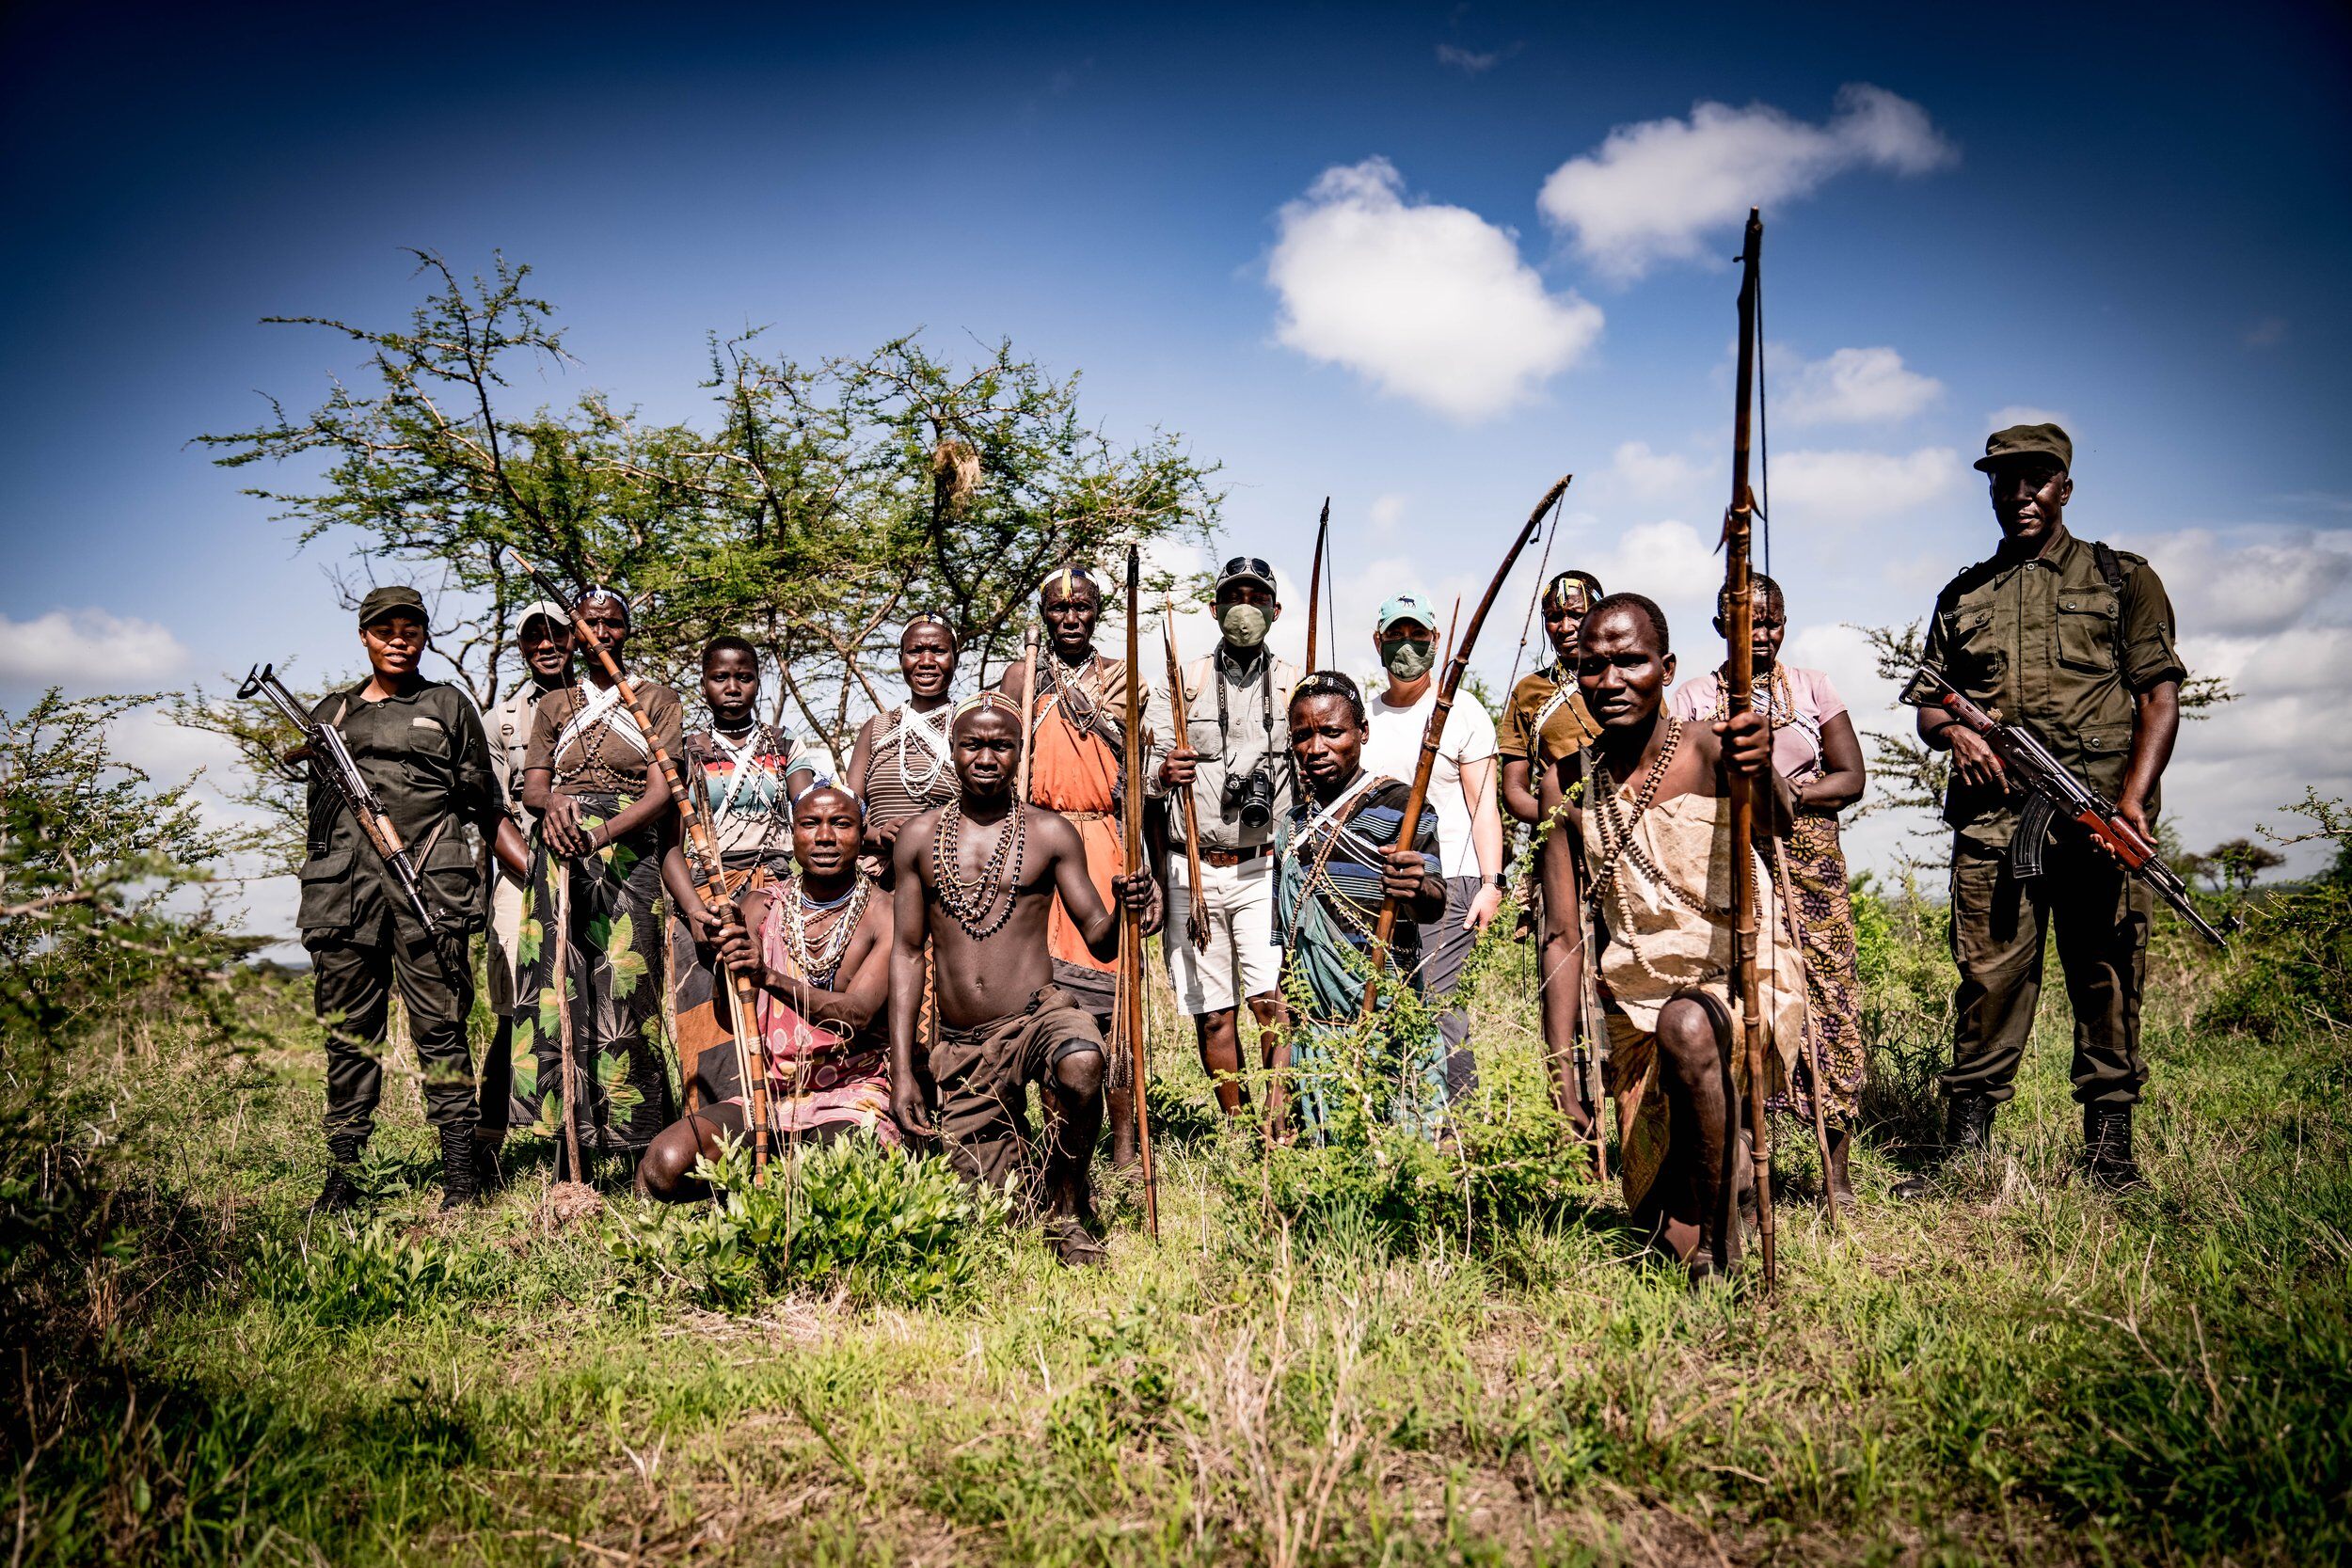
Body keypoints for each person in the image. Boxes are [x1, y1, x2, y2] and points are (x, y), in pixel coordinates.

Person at [1897, 423, 2185, 1193]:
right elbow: (1927, 707)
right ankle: (1964, 1157)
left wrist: (2131, 805)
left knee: (2107, 978)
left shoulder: (2123, 579)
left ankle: (2109, 1154)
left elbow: (2159, 696)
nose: (2020, 494)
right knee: (1989, 981)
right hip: (1997, 827)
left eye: (2037, 479)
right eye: (2005, 480)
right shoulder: (1964, 594)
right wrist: (1957, 732)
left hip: (2099, 824)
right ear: (1990, 489)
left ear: (2065, 485)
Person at [1537, 594, 1802, 1279]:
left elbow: (1776, 823)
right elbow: (1563, 930)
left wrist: (1761, 762)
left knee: (1688, 1025)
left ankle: (1721, 1242)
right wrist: (1561, 1065)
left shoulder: (1713, 743)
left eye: (1631, 661)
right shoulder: (1566, 781)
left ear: (1667, 667)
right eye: (1593, 666)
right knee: (1654, 1222)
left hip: (1735, 983)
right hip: (1635, 1004)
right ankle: (1724, 1170)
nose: (1612, 680)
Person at [887, 695, 1153, 1265]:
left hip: (1039, 1014)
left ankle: (1068, 1209)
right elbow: (907, 955)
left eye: (1001, 745)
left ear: (1019, 752)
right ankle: (1033, 1171)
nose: (987, 756)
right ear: (952, 751)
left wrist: (1130, 908)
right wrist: (904, 1070)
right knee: (984, 1216)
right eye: (973, 744)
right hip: (963, 1045)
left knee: (1083, 1062)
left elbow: (1099, 937)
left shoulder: (1050, 833)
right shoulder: (918, 838)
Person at [301, 586, 527, 1212]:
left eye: (411, 629)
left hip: (429, 882)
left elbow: (483, 802)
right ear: (364, 636)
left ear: (425, 636)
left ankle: (459, 1175)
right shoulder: (332, 712)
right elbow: (318, 812)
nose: (398, 639)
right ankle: (343, 1174)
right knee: (350, 1034)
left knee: (441, 1027)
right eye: (384, 629)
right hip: (345, 893)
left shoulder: (448, 704)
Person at [1670, 575, 1868, 1207]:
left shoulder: (1813, 687)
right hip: (1728, 861)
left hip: (1809, 865)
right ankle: (1747, 1171)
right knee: (1747, 1002)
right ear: (1720, 625)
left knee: (1827, 1002)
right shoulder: (1695, 698)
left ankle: (1834, 1177)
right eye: (1748, 622)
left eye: (1772, 621)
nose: (1762, 633)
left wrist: (1786, 795)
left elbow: (1852, 776)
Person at [636, 784, 896, 1201]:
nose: (825, 837)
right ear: (792, 834)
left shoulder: (886, 912)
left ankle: (775, 1185)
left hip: (850, 1093)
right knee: (663, 1164)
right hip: (768, 1093)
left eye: (841, 824)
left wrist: (768, 977)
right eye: (810, 824)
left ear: (862, 831)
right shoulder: (762, 905)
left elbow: (859, 1014)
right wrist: (729, 962)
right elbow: (728, 1015)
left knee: (837, 1180)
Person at [515, 587, 685, 1175]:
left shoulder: (657, 700)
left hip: (628, 852)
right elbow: (533, 786)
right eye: (590, 624)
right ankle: (570, 1141)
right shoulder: (556, 703)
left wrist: (604, 833)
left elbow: (663, 793)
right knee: (561, 984)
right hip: (559, 850)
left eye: (613, 624)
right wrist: (558, 801)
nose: (602, 634)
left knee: (626, 989)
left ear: (626, 632)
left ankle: (638, 1142)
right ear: (575, 632)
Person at [994, 566, 1159, 1165]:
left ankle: (1123, 1145)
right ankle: (1056, 1143)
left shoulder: (1120, 679)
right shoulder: (1022, 676)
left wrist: (1148, 865)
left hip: (1105, 843)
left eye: (1083, 608)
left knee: (1115, 1002)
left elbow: (1140, 784)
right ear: (1045, 615)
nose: (1071, 618)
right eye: (1059, 609)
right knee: (1045, 996)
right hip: (1040, 843)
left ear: (1096, 613)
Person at [1144, 557, 1299, 1121]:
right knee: (1212, 1012)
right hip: (1192, 870)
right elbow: (1137, 781)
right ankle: (1236, 1125)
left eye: (1256, 598)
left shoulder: (1293, 682)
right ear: (1213, 609)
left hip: (1264, 866)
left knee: (1271, 1004)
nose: (1244, 609)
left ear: (1274, 611)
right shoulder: (1180, 682)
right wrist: (1162, 775)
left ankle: (1277, 1127)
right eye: (1234, 597)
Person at [1274, 672, 1451, 1140]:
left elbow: (1433, 901)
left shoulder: (1402, 805)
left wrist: (1416, 887)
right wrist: (1279, 1074)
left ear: (1362, 733)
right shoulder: (1292, 827)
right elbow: (1288, 947)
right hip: (1317, 1028)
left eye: (1332, 732)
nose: (1316, 748)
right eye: (1303, 736)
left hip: (1386, 1013)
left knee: (1397, 1150)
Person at [1359, 593, 1507, 1103]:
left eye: (1417, 635)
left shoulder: (1461, 711)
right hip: (1375, 889)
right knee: (1384, 1009)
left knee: (1441, 1012)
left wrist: (1491, 885)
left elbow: (1483, 804)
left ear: (1436, 642)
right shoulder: (1363, 718)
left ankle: (1456, 1131)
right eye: (1395, 636)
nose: (1406, 645)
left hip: (1450, 884)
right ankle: (1395, 1127)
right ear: (1378, 642)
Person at [662, 637, 818, 1109]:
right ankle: (712, 1124)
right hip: (704, 895)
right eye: (720, 678)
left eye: (744, 677)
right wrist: (692, 911)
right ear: (704, 684)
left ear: (758, 683)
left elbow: (807, 805)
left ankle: (785, 1119)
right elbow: (668, 846)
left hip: (772, 890)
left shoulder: (786, 747)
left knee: (773, 1003)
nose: (733, 687)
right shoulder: (684, 754)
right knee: (706, 1014)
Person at [1498, 570, 1609, 1132]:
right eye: (1555, 617)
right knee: (1566, 962)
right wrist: (1559, 819)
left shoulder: (1619, 681)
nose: (1566, 626)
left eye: (1576, 614)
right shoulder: (1529, 693)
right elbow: (1515, 788)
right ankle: (1573, 1116)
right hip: (1560, 849)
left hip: (1625, 850)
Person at [477, 599, 575, 1174]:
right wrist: (539, 872)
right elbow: (491, 813)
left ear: (575, 641)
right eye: (534, 637)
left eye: (557, 635)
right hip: (523, 873)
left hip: (597, 869)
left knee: (596, 1004)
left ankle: (588, 1138)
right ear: (521, 648)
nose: (546, 645)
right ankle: (486, 1146)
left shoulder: (602, 710)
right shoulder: (502, 722)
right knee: (519, 1006)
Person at [847, 616, 961, 884]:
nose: (926, 661)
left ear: (956, 656)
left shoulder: (966, 726)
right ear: (901, 658)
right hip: (881, 880)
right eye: (915, 651)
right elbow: (847, 816)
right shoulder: (876, 729)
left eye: (938, 650)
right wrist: (879, 835)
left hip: (951, 876)